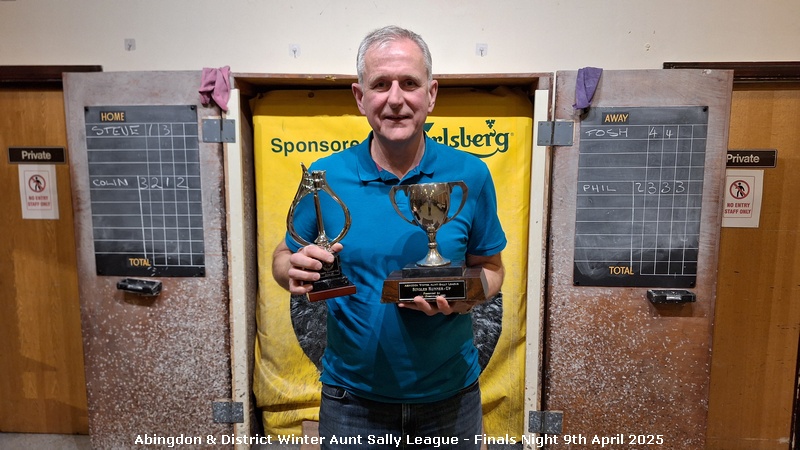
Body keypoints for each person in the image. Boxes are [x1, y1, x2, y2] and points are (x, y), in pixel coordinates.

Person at [272, 25, 506, 449]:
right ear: (360, 97)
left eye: (409, 83)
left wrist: (465, 296)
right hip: (351, 404)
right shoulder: (325, 176)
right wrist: (292, 267)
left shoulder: (471, 174)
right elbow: (283, 256)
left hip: (452, 402)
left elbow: (491, 268)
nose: (395, 98)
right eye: (380, 84)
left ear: (431, 95)